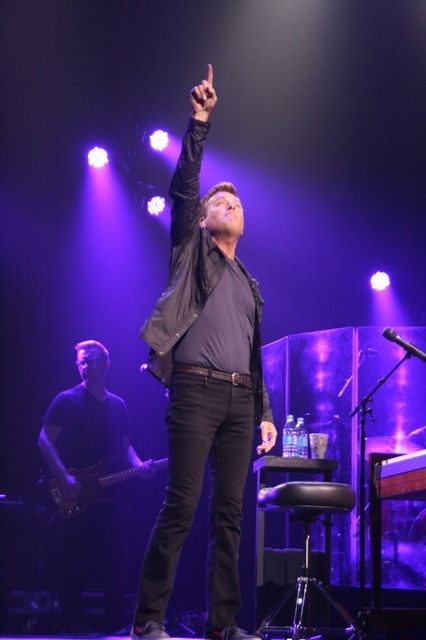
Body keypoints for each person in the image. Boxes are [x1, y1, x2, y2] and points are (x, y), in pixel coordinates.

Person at [131, 64, 277, 640]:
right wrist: (199, 122)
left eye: (235, 203)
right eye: (220, 201)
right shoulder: (190, 252)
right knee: (182, 506)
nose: (228, 204)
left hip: (241, 401)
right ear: (202, 218)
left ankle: (223, 624)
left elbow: (254, 353)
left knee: (231, 518)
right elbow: (186, 185)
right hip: (193, 388)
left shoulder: (250, 283)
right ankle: (149, 620)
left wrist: (264, 410)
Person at [39, 339, 147, 633]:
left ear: (107, 363)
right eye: (83, 361)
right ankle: (71, 621)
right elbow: (45, 439)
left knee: (113, 557)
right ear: (78, 365)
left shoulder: (118, 405)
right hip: (73, 489)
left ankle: (115, 622)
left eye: (94, 359)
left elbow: (126, 448)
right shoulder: (66, 400)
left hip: (107, 494)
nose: (88, 365)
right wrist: (64, 476)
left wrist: (139, 466)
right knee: (72, 558)